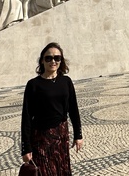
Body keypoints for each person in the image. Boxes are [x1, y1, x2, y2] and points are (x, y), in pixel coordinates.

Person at [21, 42, 83, 175]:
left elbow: (73, 110)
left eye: (57, 58)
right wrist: (26, 148)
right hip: (41, 137)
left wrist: (78, 135)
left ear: (61, 61)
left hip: (61, 134)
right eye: (48, 58)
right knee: (44, 171)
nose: (53, 61)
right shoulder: (33, 85)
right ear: (42, 61)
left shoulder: (66, 81)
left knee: (61, 168)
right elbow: (26, 117)